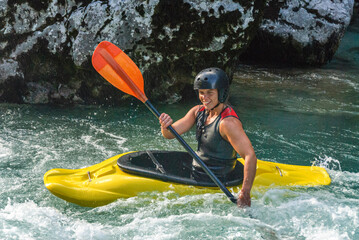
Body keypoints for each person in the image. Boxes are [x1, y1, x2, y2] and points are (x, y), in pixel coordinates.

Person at [159, 68, 257, 207]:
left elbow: (250, 156)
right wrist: (165, 125)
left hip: (216, 179)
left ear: (221, 93)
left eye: (210, 93)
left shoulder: (228, 123)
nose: (204, 98)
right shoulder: (197, 111)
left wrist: (245, 192)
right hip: (198, 171)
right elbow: (169, 134)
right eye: (201, 93)